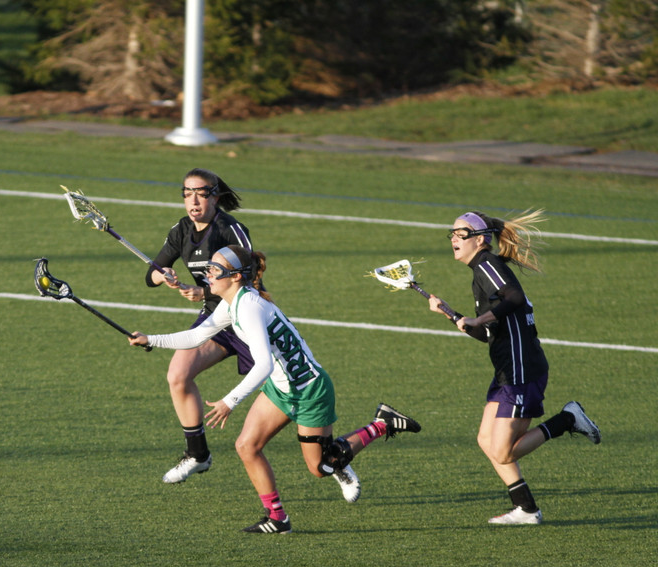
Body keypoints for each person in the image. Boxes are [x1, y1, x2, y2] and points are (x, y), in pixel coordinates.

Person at [130, 245, 422, 533]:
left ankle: (381, 424)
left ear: (235, 277)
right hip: (281, 390)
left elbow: (263, 366)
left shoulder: (249, 308)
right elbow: (197, 335)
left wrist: (229, 401)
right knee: (247, 446)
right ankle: (277, 519)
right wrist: (151, 339)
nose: (207, 274)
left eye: (215, 270)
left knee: (320, 468)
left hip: (310, 391)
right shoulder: (232, 303)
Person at [427, 210, 601, 525]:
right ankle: (527, 510)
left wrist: (478, 319)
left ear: (480, 240)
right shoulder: (480, 272)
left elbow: (515, 298)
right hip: (508, 369)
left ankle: (567, 419)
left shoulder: (487, 265)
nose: (453, 238)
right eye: (451, 233)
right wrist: (451, 314)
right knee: (485, 440)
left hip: (522, 371)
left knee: (504, 452)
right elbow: (487, 334)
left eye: (460, 233)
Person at [143, 169, 258, 484]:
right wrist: (163, 275)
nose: (193, 200)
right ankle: (198, 455)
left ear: (215, 196)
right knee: (177, 376)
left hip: (248, 317)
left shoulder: (230, 229)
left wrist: (203, 291)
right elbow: (151, 274)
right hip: (214, 318)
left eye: (201, 193)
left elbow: (253, 278)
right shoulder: (180, 230)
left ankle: (333, 455)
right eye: (187, 193)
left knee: (289, 394)